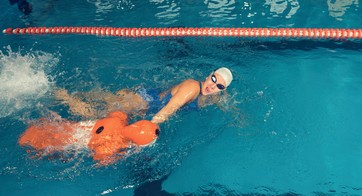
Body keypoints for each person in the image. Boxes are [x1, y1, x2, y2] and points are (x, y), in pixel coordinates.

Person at [54, 67, 233, 123]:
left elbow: (226, 103)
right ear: (209, 74)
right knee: (94, 114)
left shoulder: (213, 95)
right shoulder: (192, 87)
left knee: (104, 98)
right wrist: (150, 126)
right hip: (143, 102)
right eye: (214, 78)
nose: (213, 86)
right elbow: (169, 109)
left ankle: (78, 94)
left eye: (219, 86)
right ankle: (64, 96)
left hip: (149, 102)